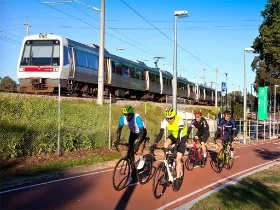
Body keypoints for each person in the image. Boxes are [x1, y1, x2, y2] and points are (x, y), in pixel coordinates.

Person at [150, 108, 187, 180]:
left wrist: (176, 145)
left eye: (170, 118)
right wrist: (155, 143)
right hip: (173, 135)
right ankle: (167, 162)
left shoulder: (179, 120)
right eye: (168, 118)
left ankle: (178, 177)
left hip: (182, 137)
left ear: (174, 117)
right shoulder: (165, 121)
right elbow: (161, 133)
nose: (169, 120)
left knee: (178, 158)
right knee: (165, 144)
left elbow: (180, 135)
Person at [114, 105, 147, 170]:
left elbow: (142, 132)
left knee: (137, 149)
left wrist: (137, 144)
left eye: (128, 114)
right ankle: (133, 171)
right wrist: (118, 140)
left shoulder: (137, 118)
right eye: (125, 114)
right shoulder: (122, 118)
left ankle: (142, 159)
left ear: (132, 114)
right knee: (130, 151)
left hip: (141, 133)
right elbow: (119, 130)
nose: (126, 116)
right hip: (133, 133)